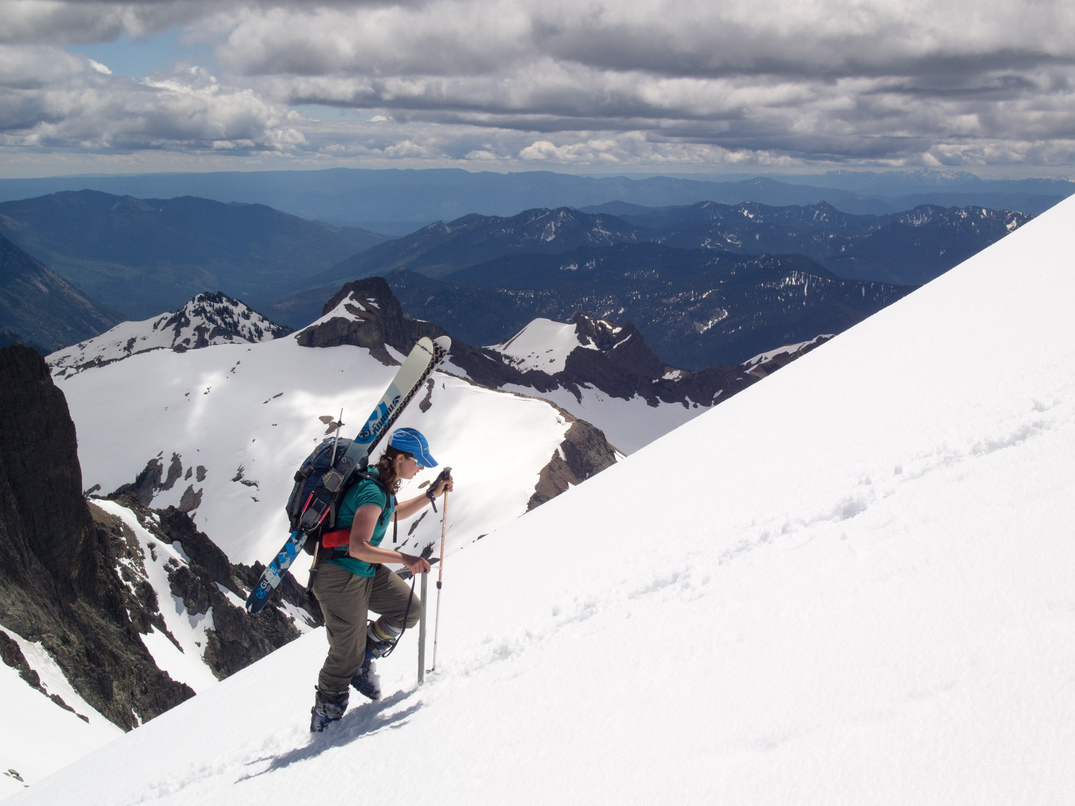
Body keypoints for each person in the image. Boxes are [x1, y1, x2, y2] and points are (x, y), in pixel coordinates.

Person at [309, 426, 453, 733]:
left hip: (363, 571)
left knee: (408, 610)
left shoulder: (380, 485)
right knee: (344, 654)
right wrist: (405, 559)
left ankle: (361, 659)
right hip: (340, 576)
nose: (421, 467)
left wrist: (431, 494)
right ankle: (325, 719)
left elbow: (393, 512)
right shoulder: (373, 489)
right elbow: (358, 547)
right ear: (400, 458)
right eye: (418, 461)